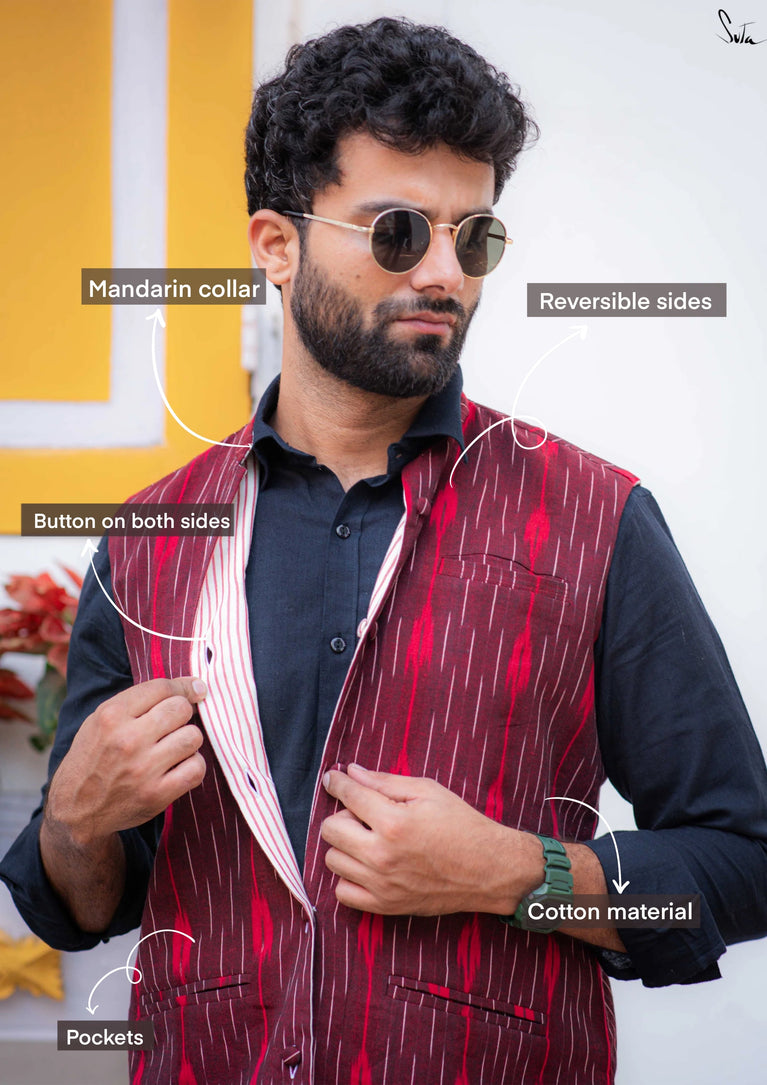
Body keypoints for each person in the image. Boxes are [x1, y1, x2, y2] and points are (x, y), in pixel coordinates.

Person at [2, 15, 767, 1085]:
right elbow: (87, 902)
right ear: (276, 245)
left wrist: (516, 873)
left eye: (475, 236)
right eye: (399, 231)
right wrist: (76, 824)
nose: (445, 273)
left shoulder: (597, 520)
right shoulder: (149, 542)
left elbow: (739, 868)